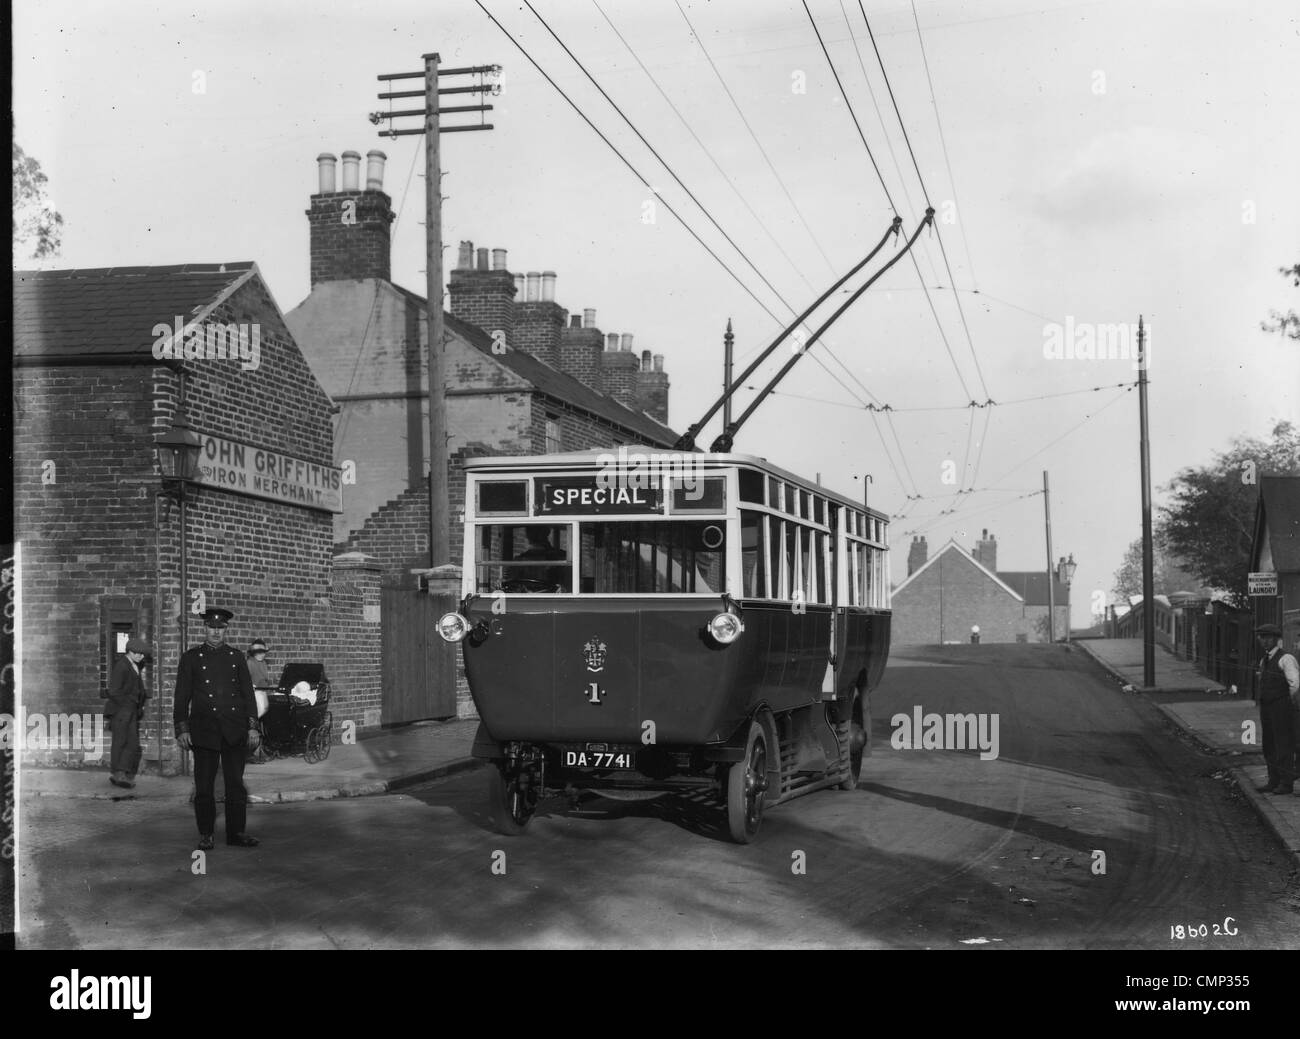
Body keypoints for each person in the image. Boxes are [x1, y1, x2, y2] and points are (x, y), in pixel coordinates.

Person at [174, 607, 261, 849]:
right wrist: (182, 728)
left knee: (235, 785)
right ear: (204, 629)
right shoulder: (191, 658)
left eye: (220, 628)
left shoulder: (236, 658)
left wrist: (252, 727)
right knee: (204, 786)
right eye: (211, 628)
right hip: (204, 730)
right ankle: (206, 833)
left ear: (226, 630)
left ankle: (236, 833)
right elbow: (181, 696)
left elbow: (248, 695)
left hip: (234, 729)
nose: (215, 632)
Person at [1254, 623, 1299, 795]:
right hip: (1267, 706)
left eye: (1268, 637)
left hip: (1282, 706)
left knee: (1283, 744)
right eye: (1261, 637)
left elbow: (1294, 684)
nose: (1264, 641)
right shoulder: (1263, 660)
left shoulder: (1286, 658)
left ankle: (1286, 783)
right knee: (1269, 744)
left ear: (1276, 639)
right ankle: (1273, 781)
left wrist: (1291, 704)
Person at [106, 637, 150, 788]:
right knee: (121, 742)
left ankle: (121, 773)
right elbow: (113, 691)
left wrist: (137, 706)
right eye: (139, 654)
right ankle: (119, 774)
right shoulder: (122, 666)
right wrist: (128, 706)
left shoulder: (132, 664)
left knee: (130, 743)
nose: (142, 656)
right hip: (121, 711)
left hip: (129, 711)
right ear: (131, 652)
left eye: (143, 654)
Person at [245, 638, 274, 764]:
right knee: (253, 724)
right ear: (253, 653)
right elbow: (246, 681)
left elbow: (264, 680)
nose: (262, 654)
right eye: (259, 652)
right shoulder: (249, 663)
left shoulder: (263, 663)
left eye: (263, 652)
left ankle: (260, 750)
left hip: (262, 694)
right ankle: (250, 752)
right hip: (253, 696)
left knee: (263, 722)